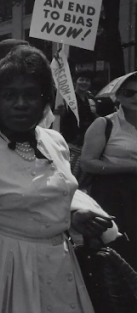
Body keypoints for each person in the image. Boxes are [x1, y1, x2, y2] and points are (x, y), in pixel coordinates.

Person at [0, 45, 113, 313]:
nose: (21, 103)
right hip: (8, 273)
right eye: (10, 95)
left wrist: (70, 220)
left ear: (44, 99)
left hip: (60, 266)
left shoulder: (56, 141)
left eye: (30, 94)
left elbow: (44, 199)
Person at [81, 72, 137, 269]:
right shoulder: (105, 124)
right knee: (118, 252)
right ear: (118, 96)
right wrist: (131, 167)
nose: (136, 97)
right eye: (130, 93)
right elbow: (87, 162)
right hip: (113, 194)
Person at [58, 71, 98, 146]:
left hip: (87, 139)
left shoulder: (91, 98)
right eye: (81, 79)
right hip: (71, 141)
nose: (84, 82)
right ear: (75, 81)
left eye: (87, 80)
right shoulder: (67, 98)